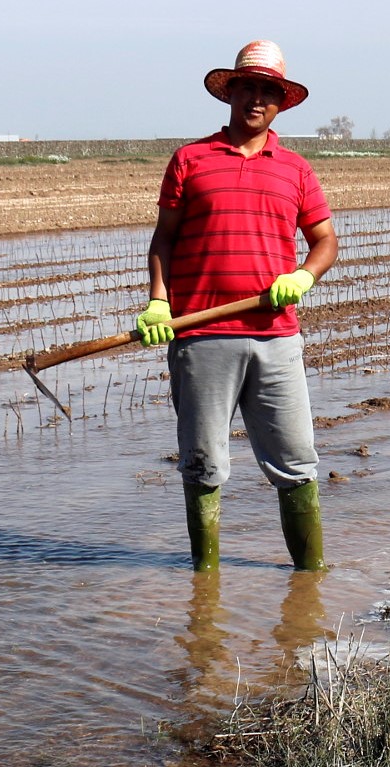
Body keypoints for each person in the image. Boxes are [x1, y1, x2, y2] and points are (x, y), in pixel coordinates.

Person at [140, 40, 340, 571]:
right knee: (202, 465)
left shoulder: (295, 169)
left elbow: (325, 241)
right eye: (247, 87)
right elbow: (164, 239)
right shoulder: (190, 159)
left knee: (297, 465)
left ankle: (309, 582)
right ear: (231, 92)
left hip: (275, 338)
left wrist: (303, 275)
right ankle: (204, 584)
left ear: (280, 103)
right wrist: (159, 302)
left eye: (268, 92)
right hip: (202, 337)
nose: (256, 99)